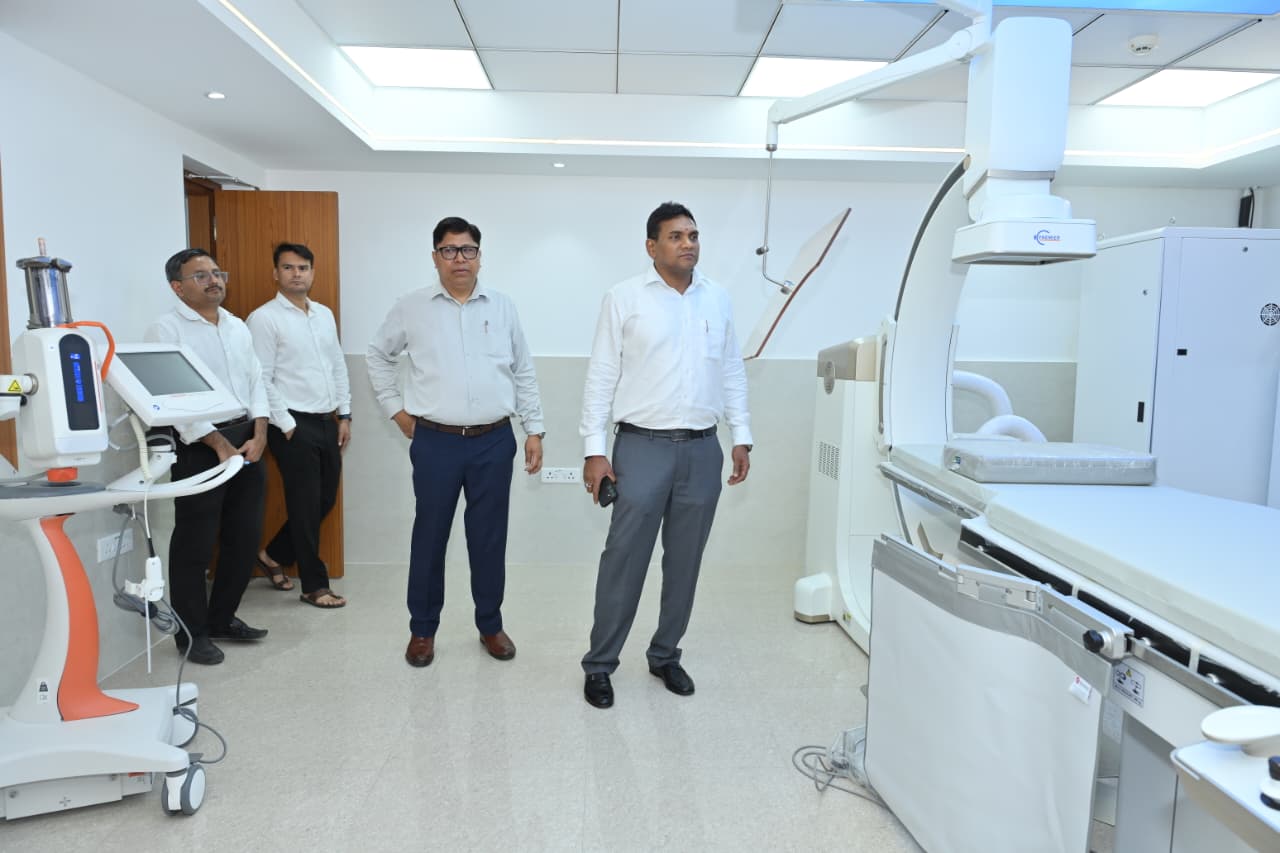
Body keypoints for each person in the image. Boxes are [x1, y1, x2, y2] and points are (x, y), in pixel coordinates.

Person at [579, 202, 753, 709]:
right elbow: (601, 376)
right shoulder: (624, 298)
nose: (688, 244)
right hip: (641, 448)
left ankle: (665, 655)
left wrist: (741, 435)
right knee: (624, 560)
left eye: (693, 235)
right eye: (676, 236)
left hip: (702, 449)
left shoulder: (717, 298)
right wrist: (594, 451)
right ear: (651, 246)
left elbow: (731, 370)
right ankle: (600, 664)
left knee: (685, 562)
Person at [367, 216, 545, 668]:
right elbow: (378, 355)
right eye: (449, 250)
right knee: (430, 537)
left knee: (489, 539)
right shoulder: (411, 307)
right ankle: (422, 630)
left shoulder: (503, 307)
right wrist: (396, 410)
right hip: (436, 442)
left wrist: (534, 429)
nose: (459, 258)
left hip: (494, 440)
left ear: (479, 256)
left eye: (468, 250)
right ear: (435, 257)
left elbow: (523, 370)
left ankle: (490, 625)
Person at [145, 248, 270, 665]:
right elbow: (172, 396)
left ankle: (221, 619)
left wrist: (260, 431)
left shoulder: (235, 325)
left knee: (244, 537)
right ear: (177, 287)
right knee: (195, 543)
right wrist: (217, 443)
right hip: (198, 444)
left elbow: (256, 380)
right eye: (201, 275)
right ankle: (191, 633)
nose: (214, 280)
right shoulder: (165, 329)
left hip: (246, 440)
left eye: (217, 273)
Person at [246, 242, 351, 609]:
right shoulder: (264, 318)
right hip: (291, 423)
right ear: (276, 273)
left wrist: (345, 414)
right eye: (288, 267)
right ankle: (314, 586)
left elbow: (337, 364)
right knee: (304, 505)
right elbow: (260, 377)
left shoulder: (323, 314)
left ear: (312, 272)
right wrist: (287, 424)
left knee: (324, 499)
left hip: (326, 419)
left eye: (303, 267)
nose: (296, 274)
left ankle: (273, 554)